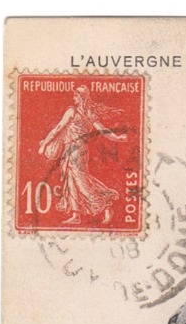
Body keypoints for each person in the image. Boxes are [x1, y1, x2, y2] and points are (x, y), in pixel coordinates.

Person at [38, 85, 127, 225]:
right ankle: (76, 214)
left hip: (74, 149)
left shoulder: (72, 111)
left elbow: (58, 128)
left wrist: (44, 145)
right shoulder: (90, 113)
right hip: (81, 149)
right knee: (73, 180)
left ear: (81, 97)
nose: (74, 98)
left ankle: (105, 205)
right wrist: (117, 138)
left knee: (80, 180)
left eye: (76, 96)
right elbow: (103, 131)